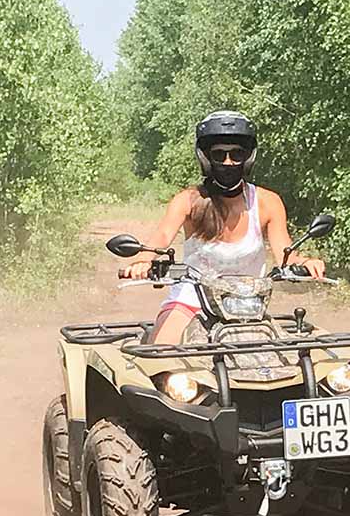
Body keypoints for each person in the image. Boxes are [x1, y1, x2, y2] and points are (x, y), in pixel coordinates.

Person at [120, 110, 326, 344]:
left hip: (248, 307)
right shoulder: (189, 201)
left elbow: (286, 255)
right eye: (219, 155)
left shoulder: (267, 202)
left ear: (248, 157)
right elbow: (163, 235)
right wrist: (143, 261)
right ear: (206, 158)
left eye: (237, 154)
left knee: (291, 357)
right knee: (162, 354)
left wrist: (305, 263)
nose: (228, 162)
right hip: (191, 301)